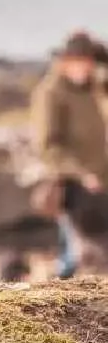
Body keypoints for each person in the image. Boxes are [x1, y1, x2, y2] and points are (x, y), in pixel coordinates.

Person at [31, 31, 108, 279]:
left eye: (88, 61)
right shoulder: (50, 93)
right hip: (72, 185)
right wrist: (81, 173)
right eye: (78, 61)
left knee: (84, 251)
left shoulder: (93, 88)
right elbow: (48, 147)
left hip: (100, 183)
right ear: (64, 61)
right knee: (79, 254)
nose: (84, 67)